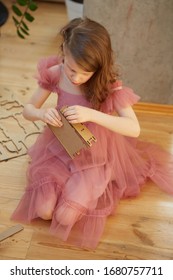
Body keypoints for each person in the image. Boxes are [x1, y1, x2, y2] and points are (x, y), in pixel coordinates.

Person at [11, 17, 173, 249]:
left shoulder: (107, 83)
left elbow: (133, 128)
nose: (76, 77)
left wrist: (92, 115)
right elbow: (28, 109)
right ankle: (64, 186)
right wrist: (41, 114)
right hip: (60, 145)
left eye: (85, 73)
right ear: (63, 51)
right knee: (45, 211)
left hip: (93, 153)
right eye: (71, 68)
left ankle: (89, 182)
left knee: (65, 216)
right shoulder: (56, 72)